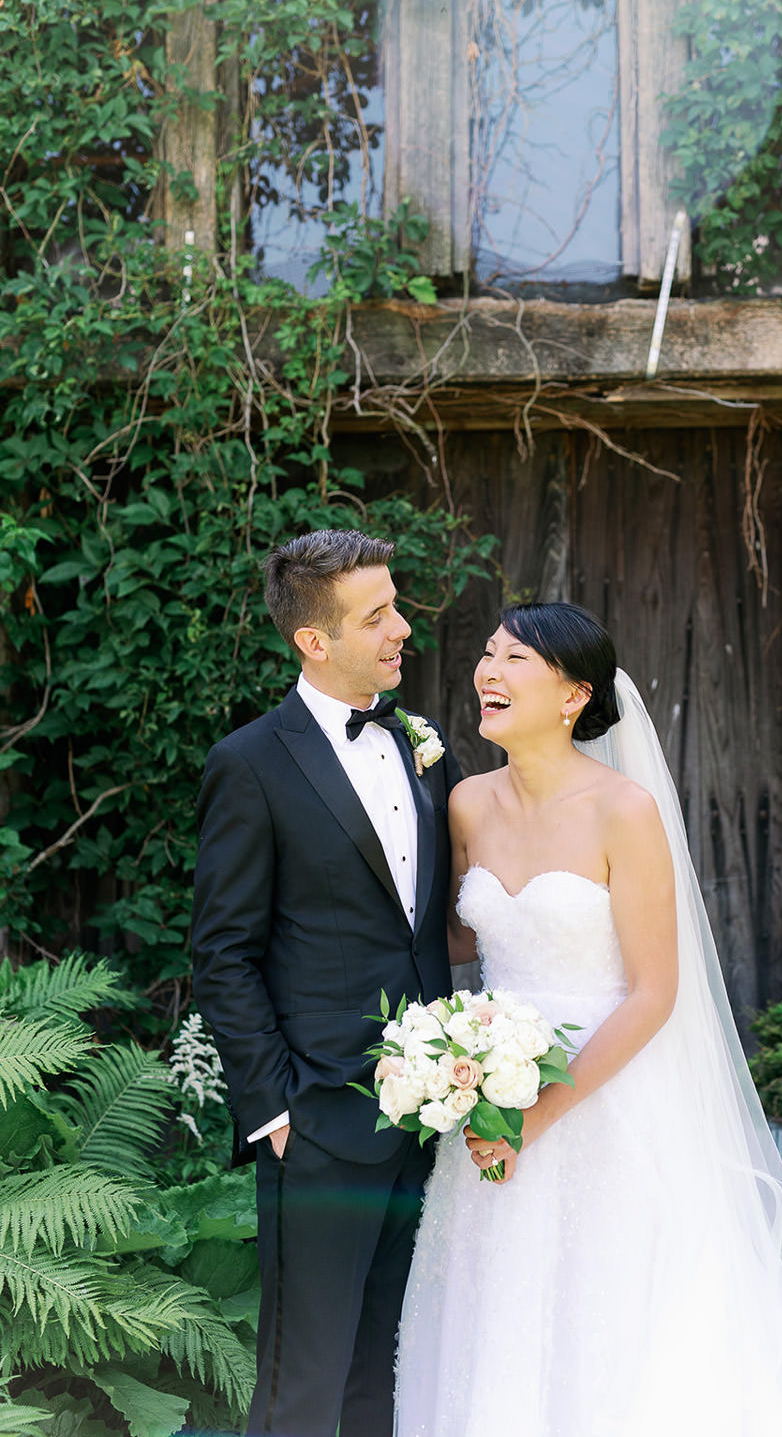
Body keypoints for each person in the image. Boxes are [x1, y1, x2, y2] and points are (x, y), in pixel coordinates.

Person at [394, 601, 782, 1437]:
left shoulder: (622, 810)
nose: (488, 672)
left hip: (604, 1099)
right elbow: (460, 934)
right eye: (488, 655)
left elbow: (653, 992)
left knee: (616, 1314)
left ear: (574, 695)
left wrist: (538, 1116)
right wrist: (443, 1053)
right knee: (498, 1304)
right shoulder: (466, 804)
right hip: (488, 1089)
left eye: (514, 659)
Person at [191, 529, 460, 1437]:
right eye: (377, 616)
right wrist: (272, 1106)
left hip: (430, 1115)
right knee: (302, 1379)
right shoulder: (250, 763)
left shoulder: (422, 746)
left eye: (396, 606)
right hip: (317, 1117)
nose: (402, 629)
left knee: (385, 1362)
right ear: (315, 640)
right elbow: (222, 949)